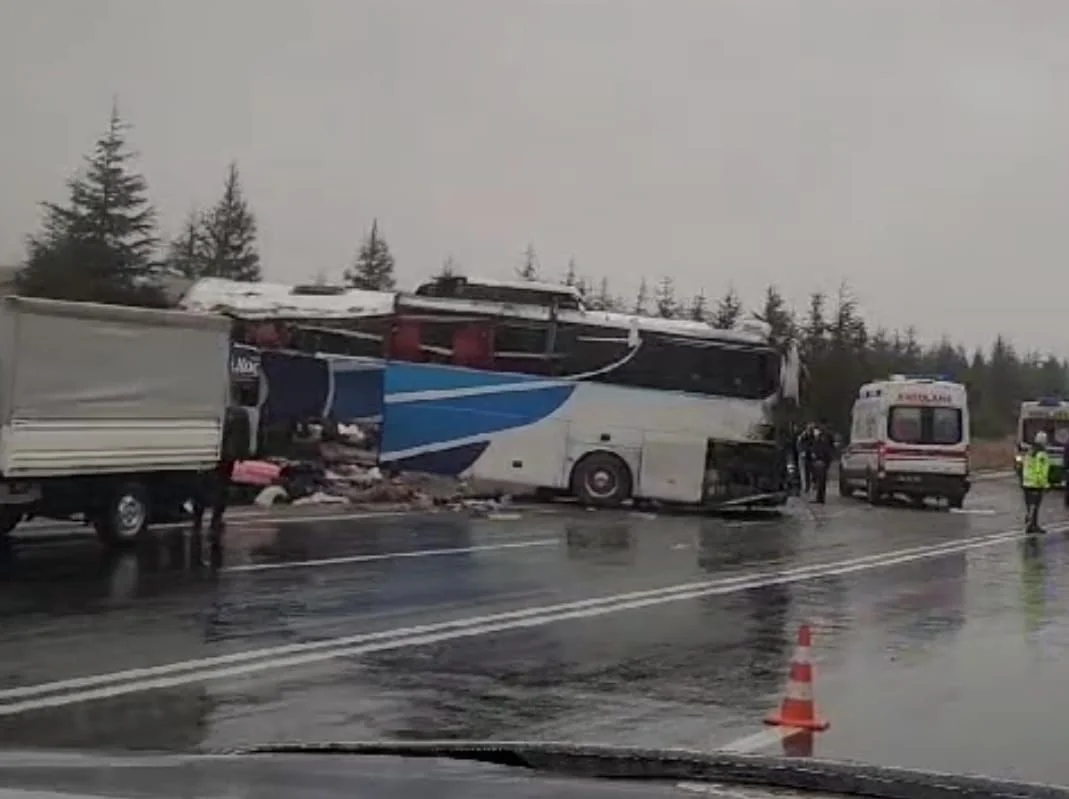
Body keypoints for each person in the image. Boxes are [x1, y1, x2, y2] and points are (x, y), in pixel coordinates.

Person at [1021, 430, 1050, 534]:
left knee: (1030, 505)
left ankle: (1031, 524)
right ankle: (1032, 525)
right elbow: (1039, 470)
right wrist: (1044, 484)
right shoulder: (1041, 453)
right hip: (1035, 483)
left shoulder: (1030, 451)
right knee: (1035, 506)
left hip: (1027, 482)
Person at [810, 423, 837, 504]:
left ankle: (820, 498)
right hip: (823, 459)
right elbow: (832, 447)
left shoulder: (823, 437)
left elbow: (827, 448)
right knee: (821, 479)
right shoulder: (825, 436)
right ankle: (820, 497)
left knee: (820, 479)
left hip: (821, 459)